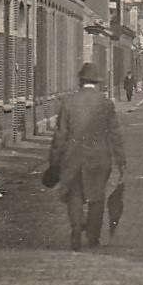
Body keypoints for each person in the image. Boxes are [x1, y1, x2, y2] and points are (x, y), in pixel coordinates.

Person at [47, 62, 127, 251]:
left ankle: (76, 225)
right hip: (99, 158)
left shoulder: (68, 102)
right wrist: (121, 159)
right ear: (97, 82)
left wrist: (54, 159)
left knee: (74, 194)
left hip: (73, 157)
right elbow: (115, 134)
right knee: (97, 196)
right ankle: (93, 236)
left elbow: (60, 134)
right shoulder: (105, 103)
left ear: (80, 81)